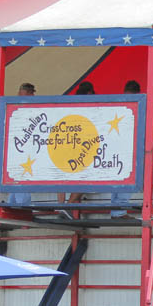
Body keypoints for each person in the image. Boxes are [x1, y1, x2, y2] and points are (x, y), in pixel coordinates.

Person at [109, 80, 147, 218]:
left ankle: (115, 209)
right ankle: (119, 211)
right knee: (128, 178)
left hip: (116, 145)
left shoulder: (118, 103)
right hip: (130, 146)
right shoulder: (139, 103)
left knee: (117, 178)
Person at [57, 81, 96, 216]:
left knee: (62, 175)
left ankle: (61, 205)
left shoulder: (69, 105)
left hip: (66, 143)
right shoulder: (91, 107)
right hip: (81, 146)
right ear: (90, 93)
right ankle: (67, 206)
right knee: (86, 178)